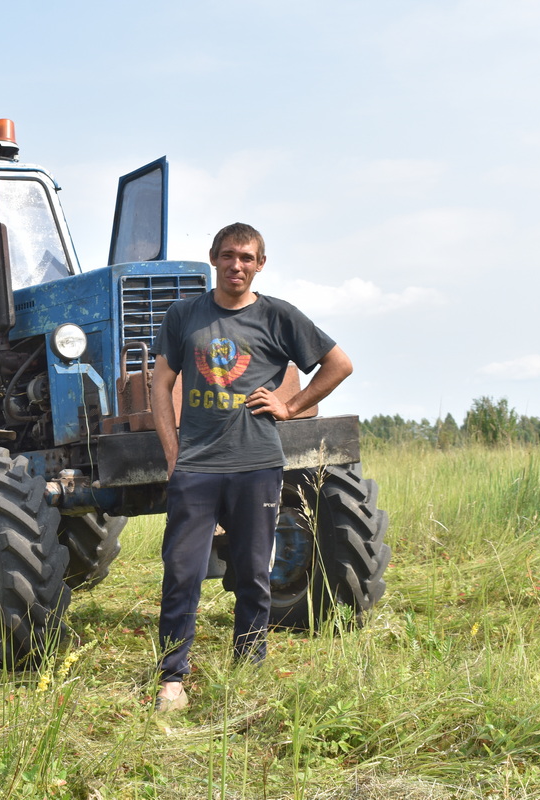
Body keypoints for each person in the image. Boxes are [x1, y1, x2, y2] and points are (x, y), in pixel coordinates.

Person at [149, 222, 353, 712]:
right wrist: (173, 452)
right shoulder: (185, 315)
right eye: (227, 255)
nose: (236, 265)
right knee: (182, 571)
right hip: (196, 466)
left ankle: (248, 669)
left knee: (253, 573)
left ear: (260, 264)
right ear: (213, 258)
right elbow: (160, 383)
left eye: (246, 257)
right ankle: (173, 679)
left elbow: (339, 364)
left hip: (257, 464)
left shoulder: (278, 316)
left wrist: (291, 404)